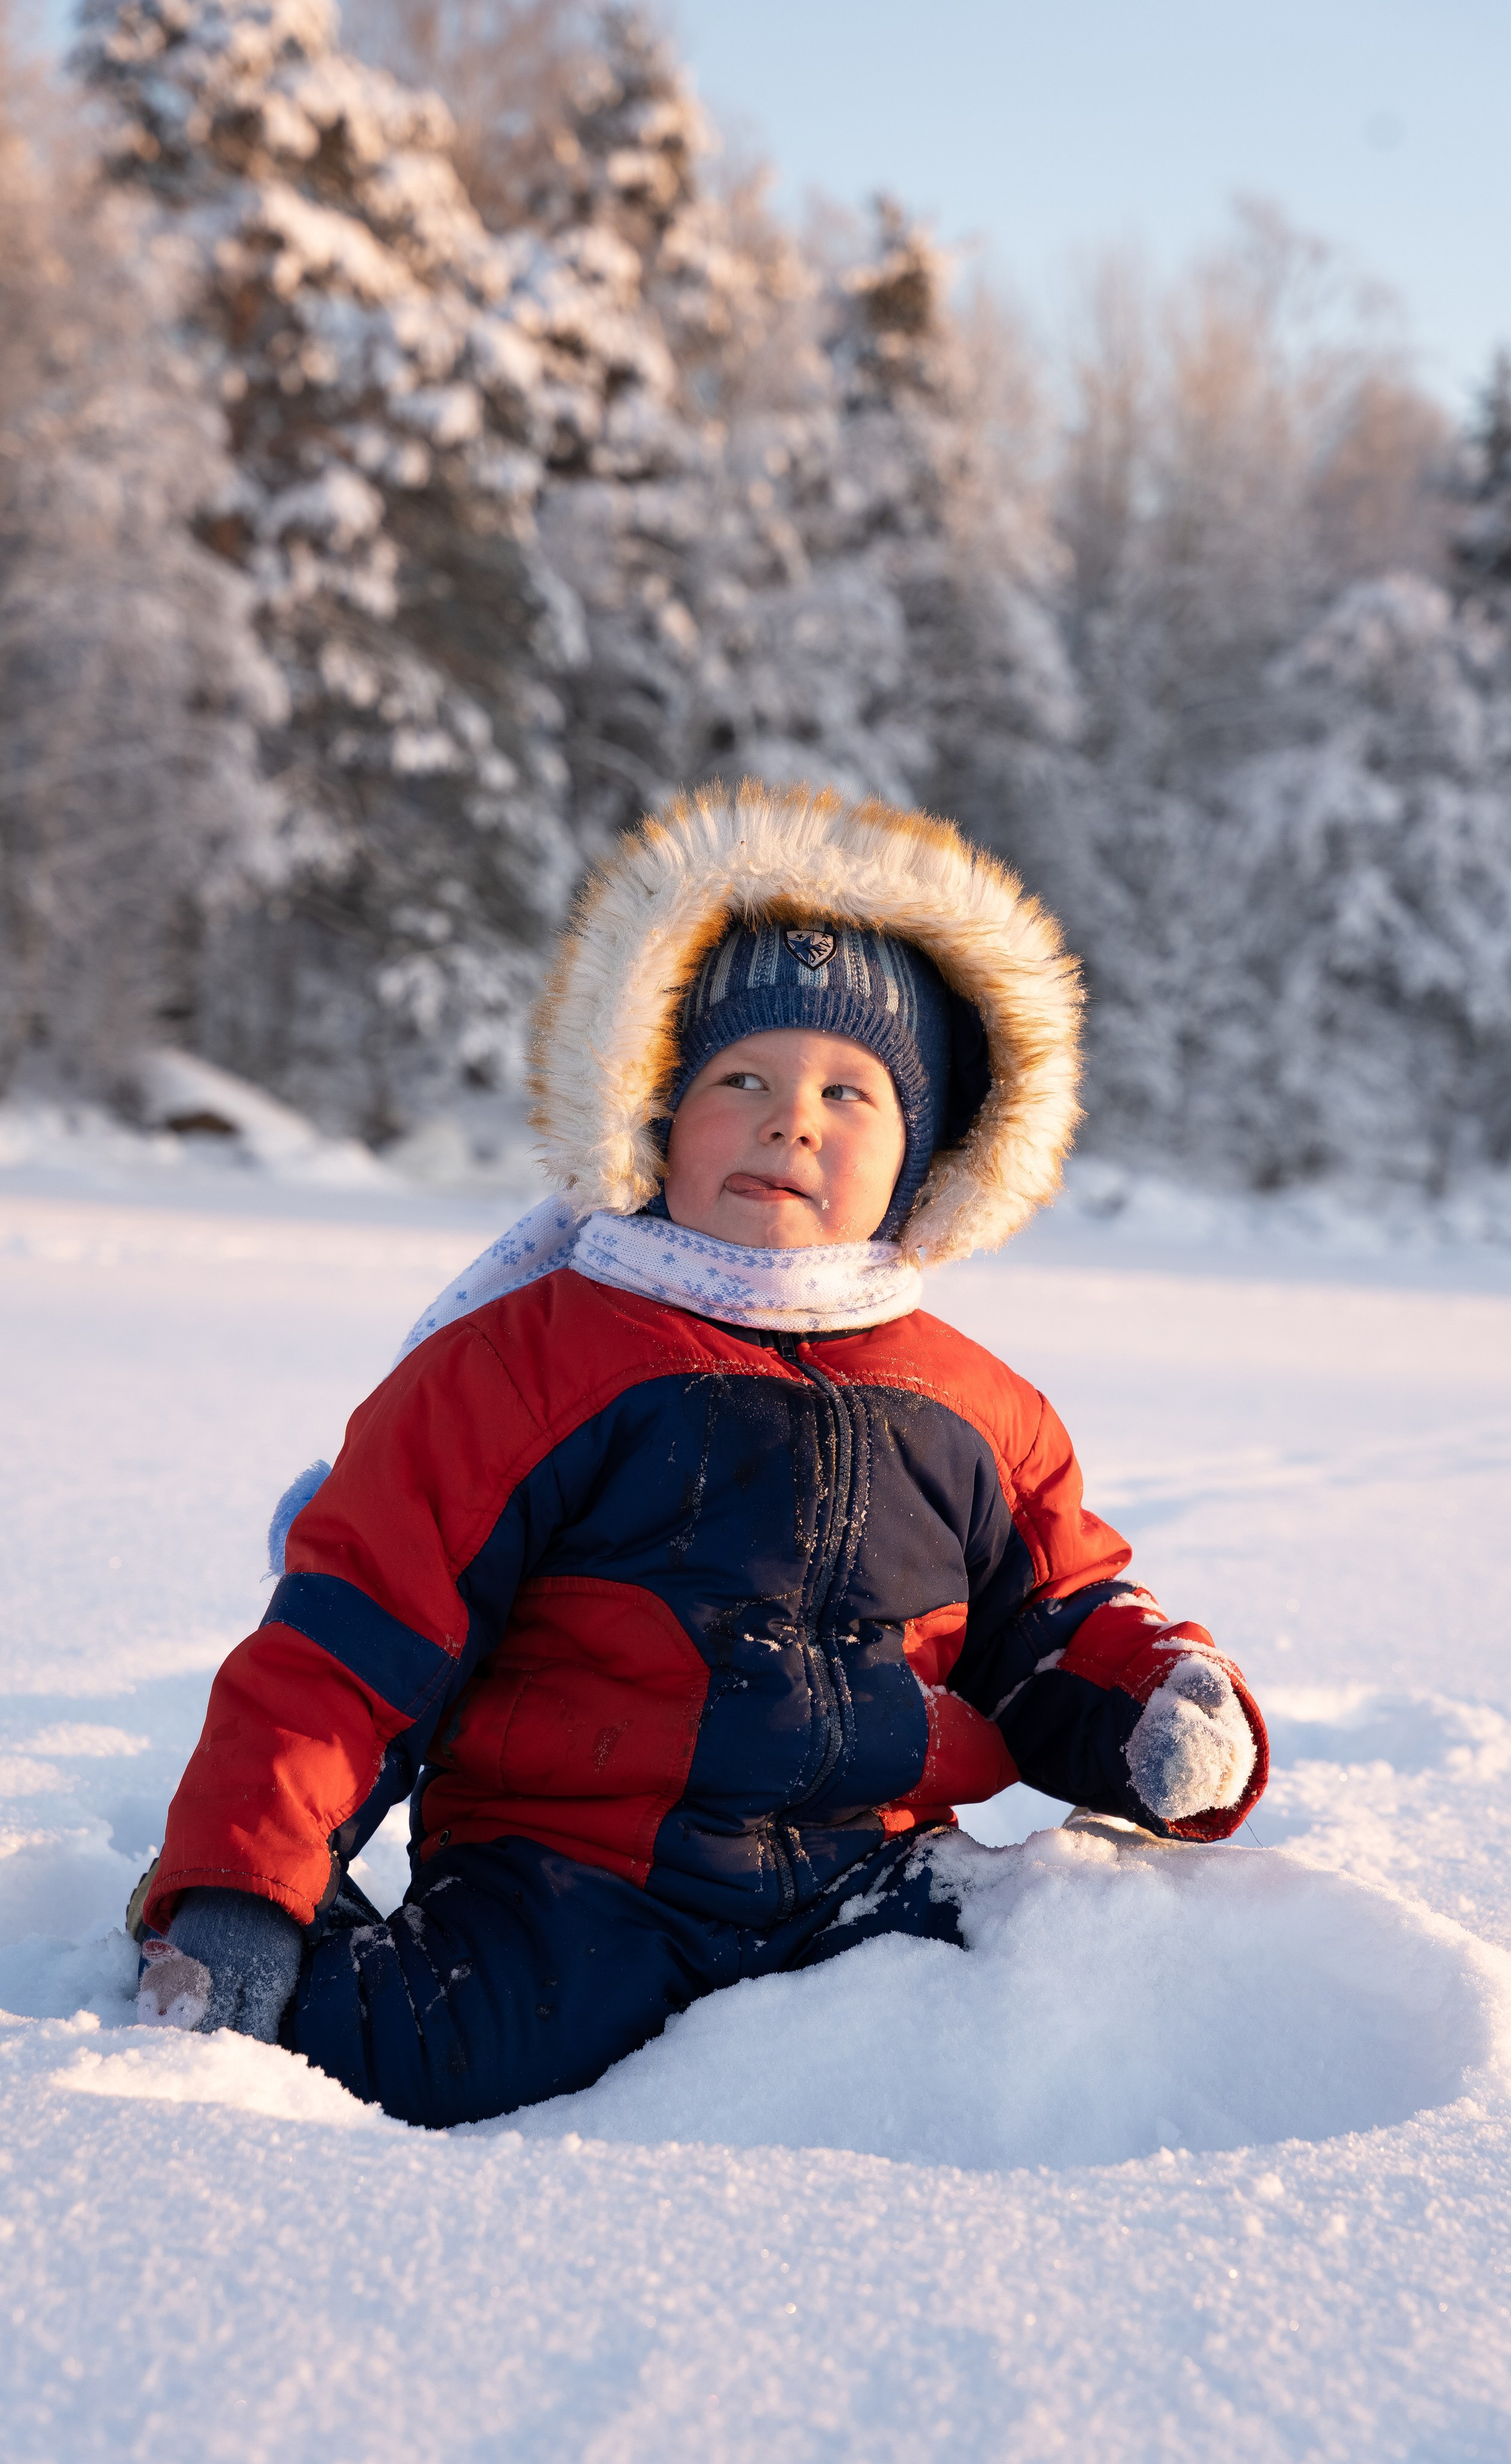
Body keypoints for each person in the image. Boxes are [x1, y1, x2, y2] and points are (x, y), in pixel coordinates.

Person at [133, 783, 1268, 2125]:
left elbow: (1056, 1614)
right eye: (740, 1081)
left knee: (1098, 2003)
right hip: (568, 1888)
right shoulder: (525, 1364)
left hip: (870, 1885)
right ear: (653, 1113)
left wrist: (1150, 1701)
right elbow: (349, 1641)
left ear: (922, 1162)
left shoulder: (973, 1405)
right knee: (377, 2055)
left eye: (849, 1093)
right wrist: (238, 1887)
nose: (791, 1120)